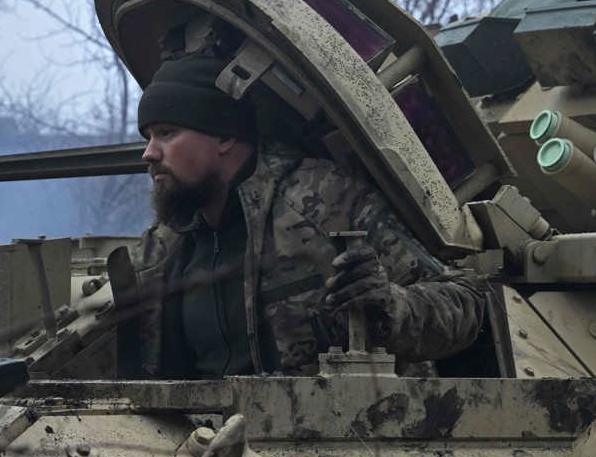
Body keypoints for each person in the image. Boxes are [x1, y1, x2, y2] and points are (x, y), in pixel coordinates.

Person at [114, 52, 484, 379]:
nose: (149, 153)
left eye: (166, 133)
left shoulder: (325, 199)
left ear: (224, 136)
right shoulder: (162, 250)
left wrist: (390, 307)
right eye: (148, 136)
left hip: (356, 444)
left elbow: (464, 304)